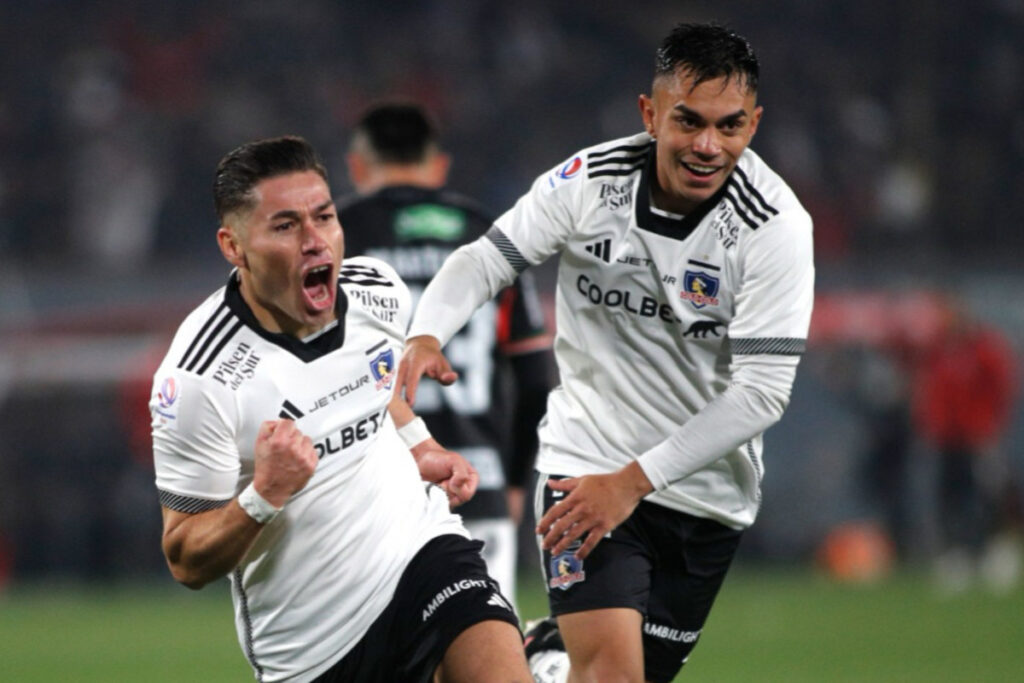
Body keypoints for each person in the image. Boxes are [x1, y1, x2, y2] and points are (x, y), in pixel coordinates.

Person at [397, 22, 815, 683]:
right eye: (689, 122)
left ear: (754, 124)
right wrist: (426, 332)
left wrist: (633, 484)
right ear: (650, 114)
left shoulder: (775, 227)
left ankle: (541, 651)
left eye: (730, 126)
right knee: (613, 677)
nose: (709, 146)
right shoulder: (590, 183)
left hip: (705, 495)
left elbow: (762, 392)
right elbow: (487, 259)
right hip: (586, 465)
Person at [149, 135, 531, 682]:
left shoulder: (378, 292)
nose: (316, 242)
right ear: (233, 247)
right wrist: (265, 493)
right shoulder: (199, 380)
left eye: (324, 217)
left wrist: (420, 444)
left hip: (419, 553)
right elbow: (185, 558)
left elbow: (376, 387)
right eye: (285, 226)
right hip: (314, 644)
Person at [340, 102, 554, 605]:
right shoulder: (487, 237)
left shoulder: (335, 236)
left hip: (370, 483)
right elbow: (536, 381)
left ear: (356, 166)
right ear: (438, 166)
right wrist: (516, 484)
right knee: (484, 655)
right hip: (477, 479)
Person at [912, 297, 1019, 592]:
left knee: (987, 495)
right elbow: (930, 391)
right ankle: (955, 554)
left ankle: (995, 552)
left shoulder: (984, 348)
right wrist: (932, 426)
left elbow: (1002, 387)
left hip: (978, 437)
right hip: (947, 438)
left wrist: (989, 426)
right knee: (950, 496)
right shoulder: (939, 350)